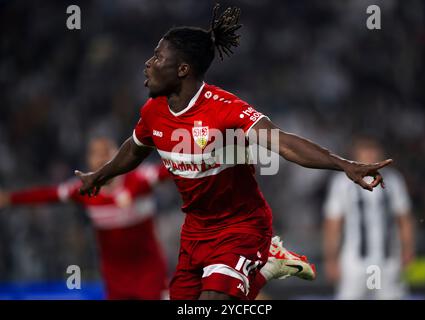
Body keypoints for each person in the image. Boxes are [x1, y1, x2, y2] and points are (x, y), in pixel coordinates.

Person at [74, 5, 392, 300]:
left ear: (182, 69)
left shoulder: (225, 110)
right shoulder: (153, 111)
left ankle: (264, 265)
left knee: (215, 301)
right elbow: (135, 148)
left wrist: (344, 164)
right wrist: (99, 176)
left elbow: (282, 142)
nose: (148, 63)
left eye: (157, 57)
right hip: (195, 231)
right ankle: (272, 264)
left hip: (241, 225)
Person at [0, 137, 170, 299]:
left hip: (149, 275)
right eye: (95, 154)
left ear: (120, 156)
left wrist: (195, 155)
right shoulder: (84, 190)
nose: (101, 159)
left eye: (106, 153)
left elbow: (172, 168)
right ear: (88, 160)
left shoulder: (140, 180)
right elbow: (49, 194)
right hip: (116, 280)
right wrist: (10, 198)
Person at [323, 137, 414, 299]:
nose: (370, 155)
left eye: (373, 151)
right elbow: (333, 223)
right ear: (355, 154)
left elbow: (404, 219)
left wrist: (408, 250)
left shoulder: (393, 180)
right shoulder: (342, 182)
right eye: (365, 151)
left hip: (389, 258)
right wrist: (331, 258)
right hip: (354, 261)